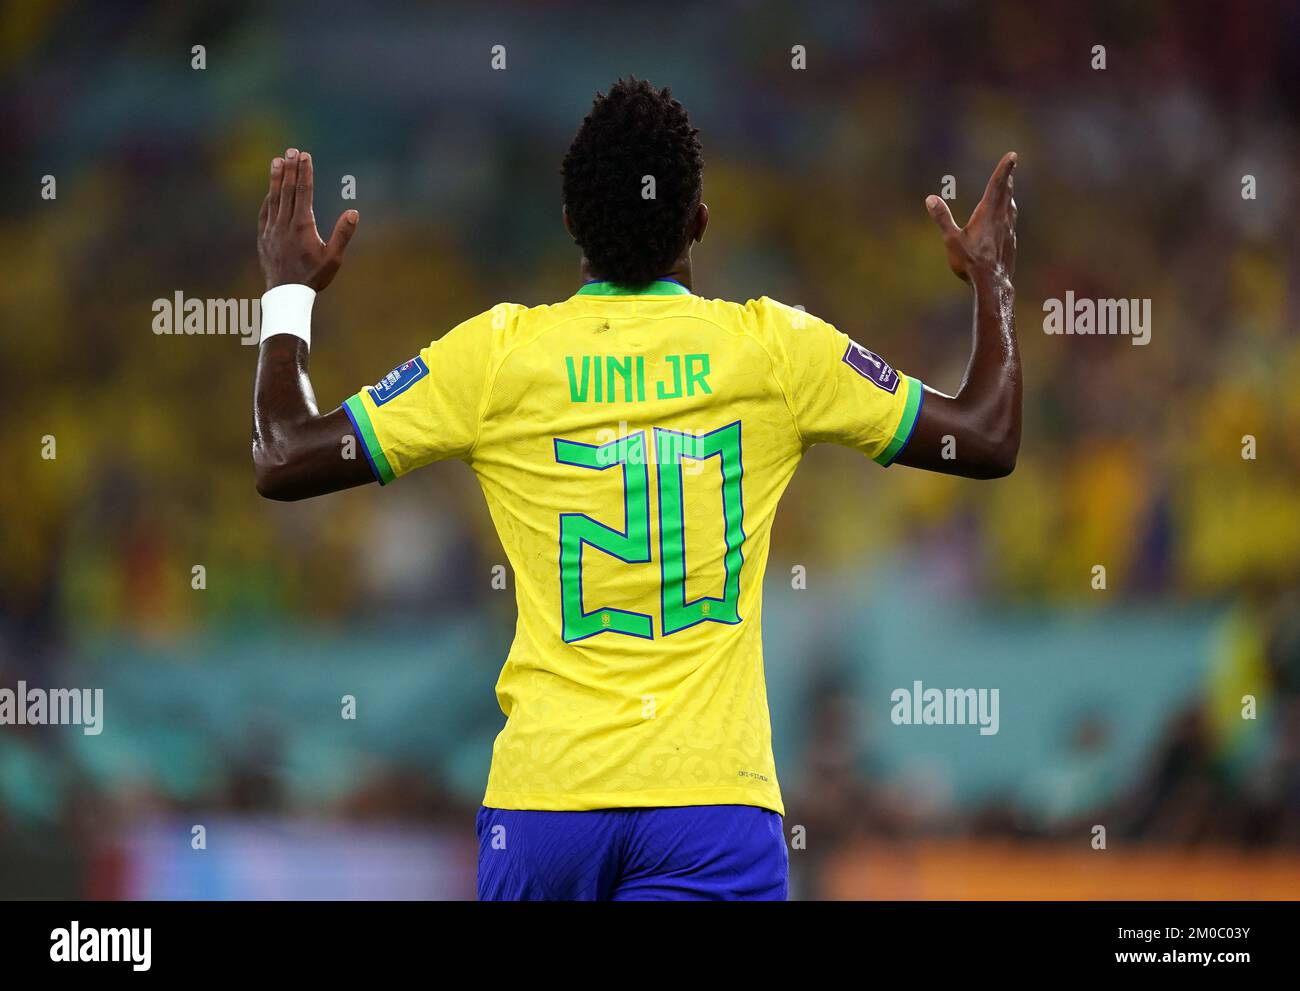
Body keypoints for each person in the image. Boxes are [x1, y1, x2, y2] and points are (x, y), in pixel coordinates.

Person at [250, 77, 1021, 900]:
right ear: (699, 222)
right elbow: (983, 435)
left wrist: (288, 294)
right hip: (710, 808)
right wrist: (993, 285)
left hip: (544, 811)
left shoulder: (498, 355)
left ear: (571, 222)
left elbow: (286, 453)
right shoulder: (776, 350)